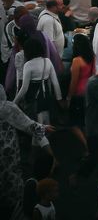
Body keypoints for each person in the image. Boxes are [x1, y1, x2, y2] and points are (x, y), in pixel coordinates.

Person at [0, 85, 55, 219]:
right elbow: (27, 124)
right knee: (11, 180)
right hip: (7, 153)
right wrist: (43, 127)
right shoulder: (5, 107)